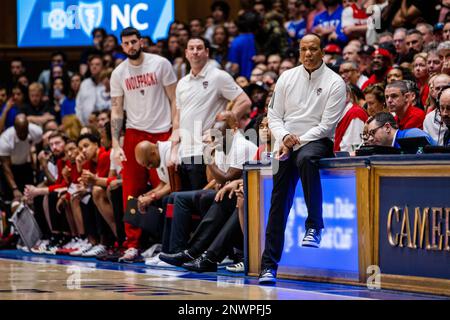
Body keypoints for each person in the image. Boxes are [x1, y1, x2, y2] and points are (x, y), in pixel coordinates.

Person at [258, 34, 346, 284]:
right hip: (287, 142)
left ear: (322, 52)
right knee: (278, 204)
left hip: (318, 141)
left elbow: (327, 125)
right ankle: (268, 267)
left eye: (313, 49)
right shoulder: (286, 77)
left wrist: (294, 142)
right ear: (299, 52)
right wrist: (284, 138)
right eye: (304, 49)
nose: (308, 54)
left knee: (306, 159)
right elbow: (274, 116)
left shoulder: (335, 83)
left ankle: (315, 225)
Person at [110, 27, 177, 263]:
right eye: (126, 43)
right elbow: (117, 109)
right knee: (131, 191)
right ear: (122, 46)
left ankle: (167, 242)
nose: (130, 46)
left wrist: (175, 130)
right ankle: (132, 244)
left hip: (161, 132)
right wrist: (115, 143)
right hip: (134, 134)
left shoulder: (160, 64)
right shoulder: (118, 73)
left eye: (133, 42)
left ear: (141, 42)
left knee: (166, 187)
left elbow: (174, 98)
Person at [172, 37, 251, 191]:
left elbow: (244, 101)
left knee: (199, 202)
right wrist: (174, 148)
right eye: (192, 48)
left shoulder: (218, 76)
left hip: (206, 151)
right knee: (184, 204)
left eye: (199, 48)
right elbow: (177, 118)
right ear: (186, 53)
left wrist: (223, 125)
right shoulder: (181, 83)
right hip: (183, 152)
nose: (195, 52)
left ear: (207, 52)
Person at [0, 114, 42, 201]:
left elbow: (39, 150)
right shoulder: (5, 139)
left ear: (28, 126)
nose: (23, 135)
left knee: (30, 197)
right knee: (12, 199)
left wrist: (37, 168)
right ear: (15, 129)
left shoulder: (36, 131)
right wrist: (14, 188)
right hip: (10, 168)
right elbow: (5, 166)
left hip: (25, 165)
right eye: (20, 132)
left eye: (25, 131)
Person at [365, 112, 435, 148]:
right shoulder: (386, 149)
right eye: (369, 135)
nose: (370, 139)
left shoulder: (412, 135)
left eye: (373, 132)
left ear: (387, 127)